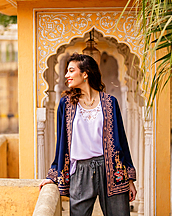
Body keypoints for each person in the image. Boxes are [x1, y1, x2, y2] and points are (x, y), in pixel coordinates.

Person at [39, 53, 137, 216]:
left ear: (85, 73)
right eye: (67, 71)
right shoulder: (66, 104)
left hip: (112, 169)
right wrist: (54, 173)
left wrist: (130, 179)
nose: (66, 75)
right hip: (80, 171)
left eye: (71, 71)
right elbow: (61, 143)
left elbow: (122, 141)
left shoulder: (110, 102)